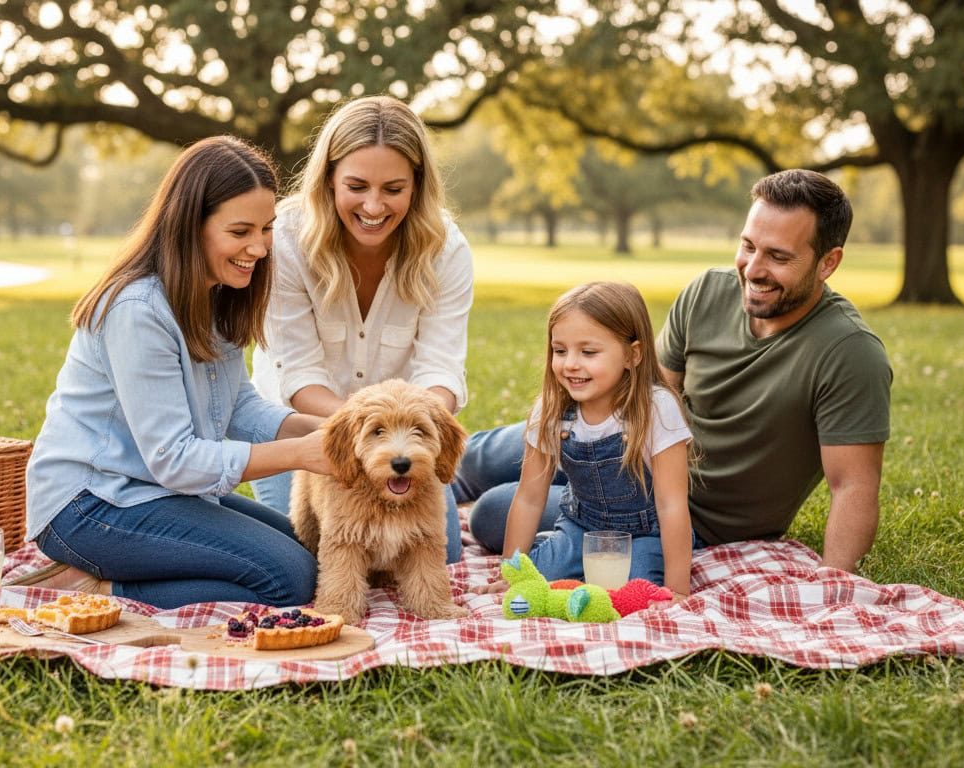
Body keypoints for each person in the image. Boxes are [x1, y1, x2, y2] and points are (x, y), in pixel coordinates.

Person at [459, 169, 891, 576]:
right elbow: (648, 392)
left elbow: (853, 485)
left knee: (494, 512)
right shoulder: (708, 291)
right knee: (480, 456)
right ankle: (422, 481)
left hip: (687, 512)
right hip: (627, 453)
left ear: (828, 262)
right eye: (748, 246)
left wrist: (836, 585)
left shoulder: (848, 352)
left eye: (778, 256)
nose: (753, 269)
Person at [15, 136, 332, 609]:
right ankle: (93, 586)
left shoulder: (215, 295)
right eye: (240, 231)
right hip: (89, 506)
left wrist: (331, 430)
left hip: (156, 493)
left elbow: (239, 406)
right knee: (290, 580)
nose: (260, 248)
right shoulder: (137, 309)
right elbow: (175, 459)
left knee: (314, 552)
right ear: (190, 226)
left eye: (266, 229)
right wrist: (301, 453)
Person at [249, 95, 474, 564]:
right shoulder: (285, 240)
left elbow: (441, 368)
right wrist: (364, 435)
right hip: (298, 433)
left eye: (393, 188)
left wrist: (407, 438)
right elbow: (298, 377)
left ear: (416, 186)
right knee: (308, 561)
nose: (373, 205)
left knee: (440, 556)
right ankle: (482, 462)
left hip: (406, 436)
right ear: (329, 178)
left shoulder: (446, 248)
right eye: (356, 185)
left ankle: (467, 463)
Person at [480, 282, 694, 598]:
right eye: (560, 350)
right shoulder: (552, 410)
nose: (570, 364)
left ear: (632, 355)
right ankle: (556, 553)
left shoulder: (655, 409)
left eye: (588, 352)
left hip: (645, 534)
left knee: (629, 591)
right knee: (534, 585)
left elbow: (671, 503)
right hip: (580, 529)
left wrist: (679, 590)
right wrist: (513, 572)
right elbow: (529, 497)